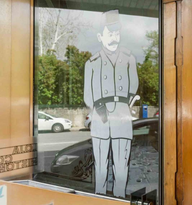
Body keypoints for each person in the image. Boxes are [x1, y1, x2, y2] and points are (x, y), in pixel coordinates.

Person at [83, 9, 138, 198]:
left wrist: (124, 108)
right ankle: (100, 197)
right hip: (101, 117)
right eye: (110, 33)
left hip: (122, 116)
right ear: (100, 36)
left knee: (122, 164)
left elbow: (134, 87)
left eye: (117, 33)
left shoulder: (129, 59)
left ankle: (120, 197)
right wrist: (101, 110)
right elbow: (88, 95)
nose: (114, 38)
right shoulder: (92, 62)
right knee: (101, 164)